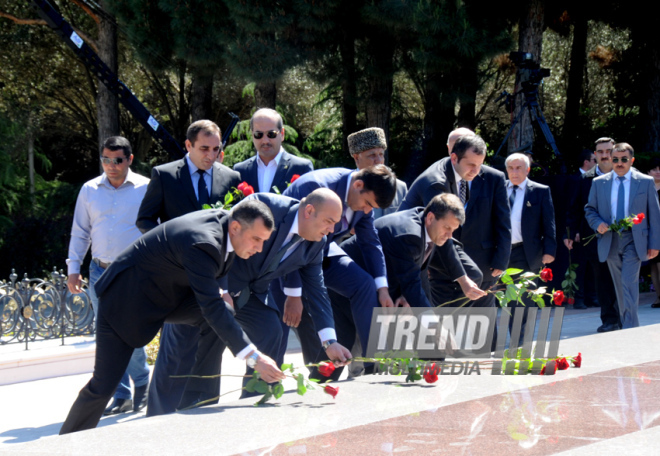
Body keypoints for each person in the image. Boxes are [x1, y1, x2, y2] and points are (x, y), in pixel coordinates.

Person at [59, 201, 284, 434]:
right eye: (256, 240)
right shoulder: (205, 241)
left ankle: (191, 402)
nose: (259, 248)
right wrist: (254, 357)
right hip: (124, 301)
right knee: (103, 386)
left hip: (166, 296)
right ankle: (64, 444)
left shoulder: (226, 229)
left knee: (222, 314)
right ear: (236, 228)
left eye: (264, 241)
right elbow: (210, 306)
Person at [177, 190, 352, 410]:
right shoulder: (266, 206)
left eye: (336, 223)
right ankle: (198, 402)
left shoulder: (317, 242)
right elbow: (223, 238)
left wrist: (329, 342)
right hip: (216, 285)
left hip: (251, 294)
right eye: (329, 221)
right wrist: (222, 289)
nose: (332, 230)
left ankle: (252, 399)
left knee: (269, 329)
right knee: (213, 333)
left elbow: (317, 290)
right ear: (309, 211)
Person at [135, 120, 241, 416]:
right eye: (204, 148)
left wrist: (229, 286)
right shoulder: (165, 175)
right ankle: (159, 415)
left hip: (216, 275)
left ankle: (204, 411)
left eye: (216, 149)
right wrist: (168, 245)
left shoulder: (231, 177)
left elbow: (236, 232)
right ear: (188, 146)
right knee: (175, 350)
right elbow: (144, 219)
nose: (211, 155)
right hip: (177, 276)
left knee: (213, 344)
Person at [279, 165, 397, 372]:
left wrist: (383, 288)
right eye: (368, 203)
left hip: (321, 254)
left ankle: (374, 364)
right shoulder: (316, 187)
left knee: (365, 285)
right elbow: (293, 242)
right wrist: (294, 294)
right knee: (277, 327)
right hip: (283, 261)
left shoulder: (362, 201)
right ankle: (259, 387)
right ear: (358, 185)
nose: (368, 211)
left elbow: (370, 242)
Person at [66, 136, 151, 416]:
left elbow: (156, 230)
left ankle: (142, 385)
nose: (111, 166)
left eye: (116, 160)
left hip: (132, 272)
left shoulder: (145, 188)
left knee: (130, 331)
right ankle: (121, 395)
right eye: (105, 159)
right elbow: (80, 231)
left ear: (129, 160)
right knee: (108, 336)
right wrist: (73, 269)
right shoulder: (90, 189)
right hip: (100, 270)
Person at [399, 134, 511, 309]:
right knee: (468, 277)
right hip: (411, 244)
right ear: (454, 158)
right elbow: (441, 233)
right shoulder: (437, 183)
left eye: (480, 165)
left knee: (473, 275)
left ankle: (449, 328)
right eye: (471, 165)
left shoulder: (457, 172)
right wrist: (462, 279)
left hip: (434, 238)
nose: (476, 171)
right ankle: (446, 329)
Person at [341, 193, 484, 309]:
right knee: (356, 339)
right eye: (447, 228)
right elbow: (411, 283)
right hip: (348, 274)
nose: (450, 235)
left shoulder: (431, 227)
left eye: (453, 230)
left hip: (376, 278)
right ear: (430, 218)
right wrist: (434, 326)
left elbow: (417, 272)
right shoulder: (410, 235)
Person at [585, 143, 660, 329]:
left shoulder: (645, 181)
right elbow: (590, 209)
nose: (619, 163)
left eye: (624, 159)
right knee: (619, 285)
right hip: (609, 238)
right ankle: (625, 323)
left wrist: (655, 243)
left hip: (635, 239)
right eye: (616, 159)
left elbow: (655, 215)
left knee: (629, 281)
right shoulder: (598, 183)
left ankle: (630, 327)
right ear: (610, 159)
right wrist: (597, 223)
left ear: (631, 160)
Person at [565, 137, 620, 331]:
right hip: (595, 238)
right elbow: (575, 207)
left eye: (608, 151)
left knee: (624, 279)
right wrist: (570, 232)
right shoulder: (585, 178)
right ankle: (609, 320)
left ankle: (626, 318)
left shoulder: (626, 175)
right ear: (595, 155)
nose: (605, 155)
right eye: (601, 152)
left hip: (624, 237)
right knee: (603, 280)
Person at [504, 153, 556, 340]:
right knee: (506, 300)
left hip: (526, 252)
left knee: (523, 299)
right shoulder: (499, 190)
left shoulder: (539, 191)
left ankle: (520, 343)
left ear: (527, 170)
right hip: (500, 253)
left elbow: (548, 222)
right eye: (511, 168)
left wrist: (549, 250)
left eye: (519, 168)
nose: (515, 172)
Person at [233, 108, 313, 193]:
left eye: (271, 134)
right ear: (252, 135)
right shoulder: (240, 171)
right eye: (258, 135)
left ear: (282, 134)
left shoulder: (301, 168)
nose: (265, 141)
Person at [346, 127, 407, 217]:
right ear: (357, 158)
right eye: (372, 155)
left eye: (381, 154)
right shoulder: (348, 189)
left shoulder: (400, 188)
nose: (378, 161)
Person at [647, 157, 660, 308]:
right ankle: (658, 296)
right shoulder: (645, 189)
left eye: (659, 169)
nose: (658, 172)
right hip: (650, 232)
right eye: (654, 169)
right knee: (654, 265)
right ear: (648, 172)